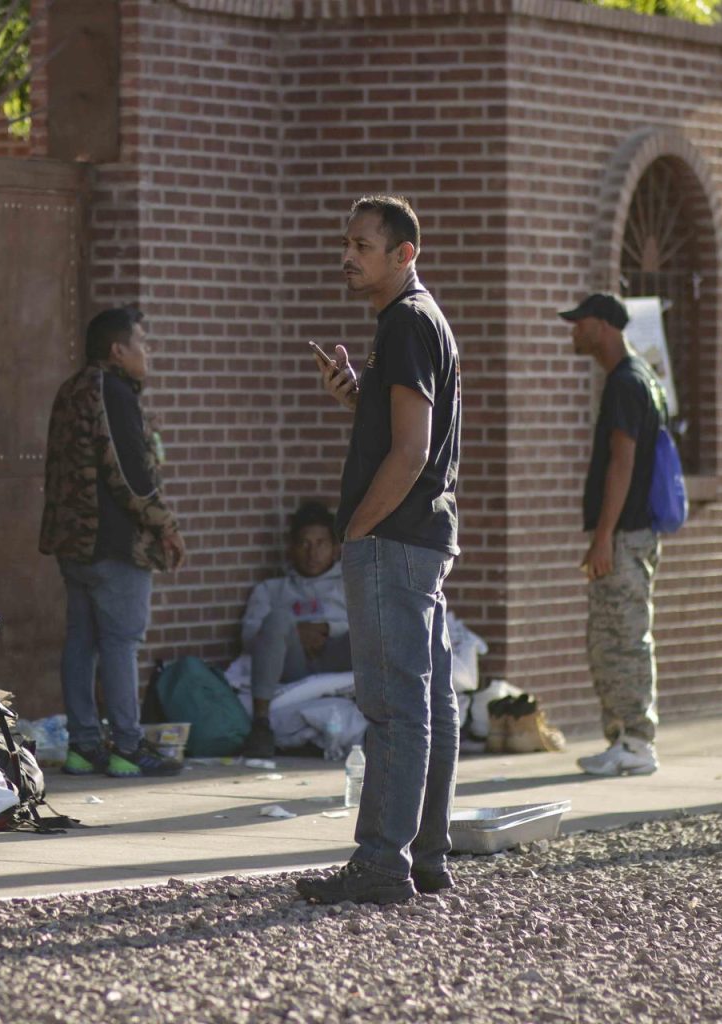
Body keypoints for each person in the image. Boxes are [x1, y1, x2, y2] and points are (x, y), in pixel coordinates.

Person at [295, 195, 462, 905]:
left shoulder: (405, 324)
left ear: (405, 255)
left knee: (394, 706)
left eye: (363, 245)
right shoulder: (417, 323)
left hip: (394, 541)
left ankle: (381, 864)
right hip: (422, 539)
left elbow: (412, 450)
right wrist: (357, 398)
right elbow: (403, 429)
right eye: (347, 242)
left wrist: (358, 529)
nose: (347, 256)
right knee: (432, 705)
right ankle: (425, 857)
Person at [39, 306, 187, 778]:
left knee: (82, 641)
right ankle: (127, 744)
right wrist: (166, 523)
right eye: (142, 344)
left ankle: (83, 746)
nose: (149, 354)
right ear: (117, 350)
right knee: (122, 643)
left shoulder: (72, 390)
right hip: (113, 545)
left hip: (73, 546)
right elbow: (128, 473)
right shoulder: (113, 392)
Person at [559, 293, 663, 777]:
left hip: (623, 536)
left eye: (579, 324)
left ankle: (638, 741)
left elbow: (622, 462)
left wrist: (603, 536)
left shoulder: (626, 382)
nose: (573, 332)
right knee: (609, 639)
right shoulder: (638, 377)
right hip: (628, 535)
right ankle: (623, 739)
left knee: (624, 637)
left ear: (602, 326)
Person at [238, 501, 350, 757]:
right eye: (304, 544)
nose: (312, 553)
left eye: (321, 544)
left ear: (334, 549)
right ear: (291, 549)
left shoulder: (349, 585)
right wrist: (297, 632)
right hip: (293, 663)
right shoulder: (270, 589)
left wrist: (326, 628)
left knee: (371, 631)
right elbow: (248, 637)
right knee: (277, 618)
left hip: (340, 657)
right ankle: (261, 725)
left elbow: (370, 623)